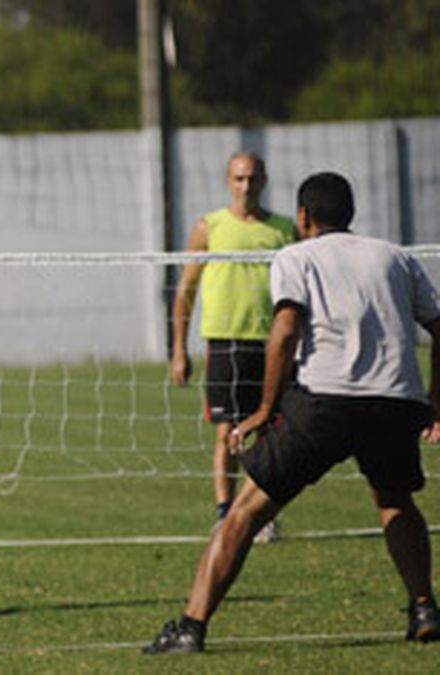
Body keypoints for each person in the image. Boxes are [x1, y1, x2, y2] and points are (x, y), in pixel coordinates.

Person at [144, 172, 440, 654]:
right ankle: (424, 607)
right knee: (395, 501)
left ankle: (190, 627)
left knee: (244, 512)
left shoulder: (295, 256)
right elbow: (438, 325)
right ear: (351, 215)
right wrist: (434, 399)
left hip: (324, 401)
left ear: (303, 217)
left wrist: (264, 408)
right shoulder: (395, 256)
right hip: (393, 401)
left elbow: (284, 330)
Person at [170, 152, 296, 541]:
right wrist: (179, 349)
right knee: (226, 431)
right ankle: (226, 513)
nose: (246, 187)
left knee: (270, 432)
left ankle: (259, 513)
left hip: (272, 343)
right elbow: (186, 290)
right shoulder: (210, 227)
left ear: (264, 181)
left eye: (253, 179)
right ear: (228, 181)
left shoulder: (283, 230)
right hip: (224, 342)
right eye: (239, 179)